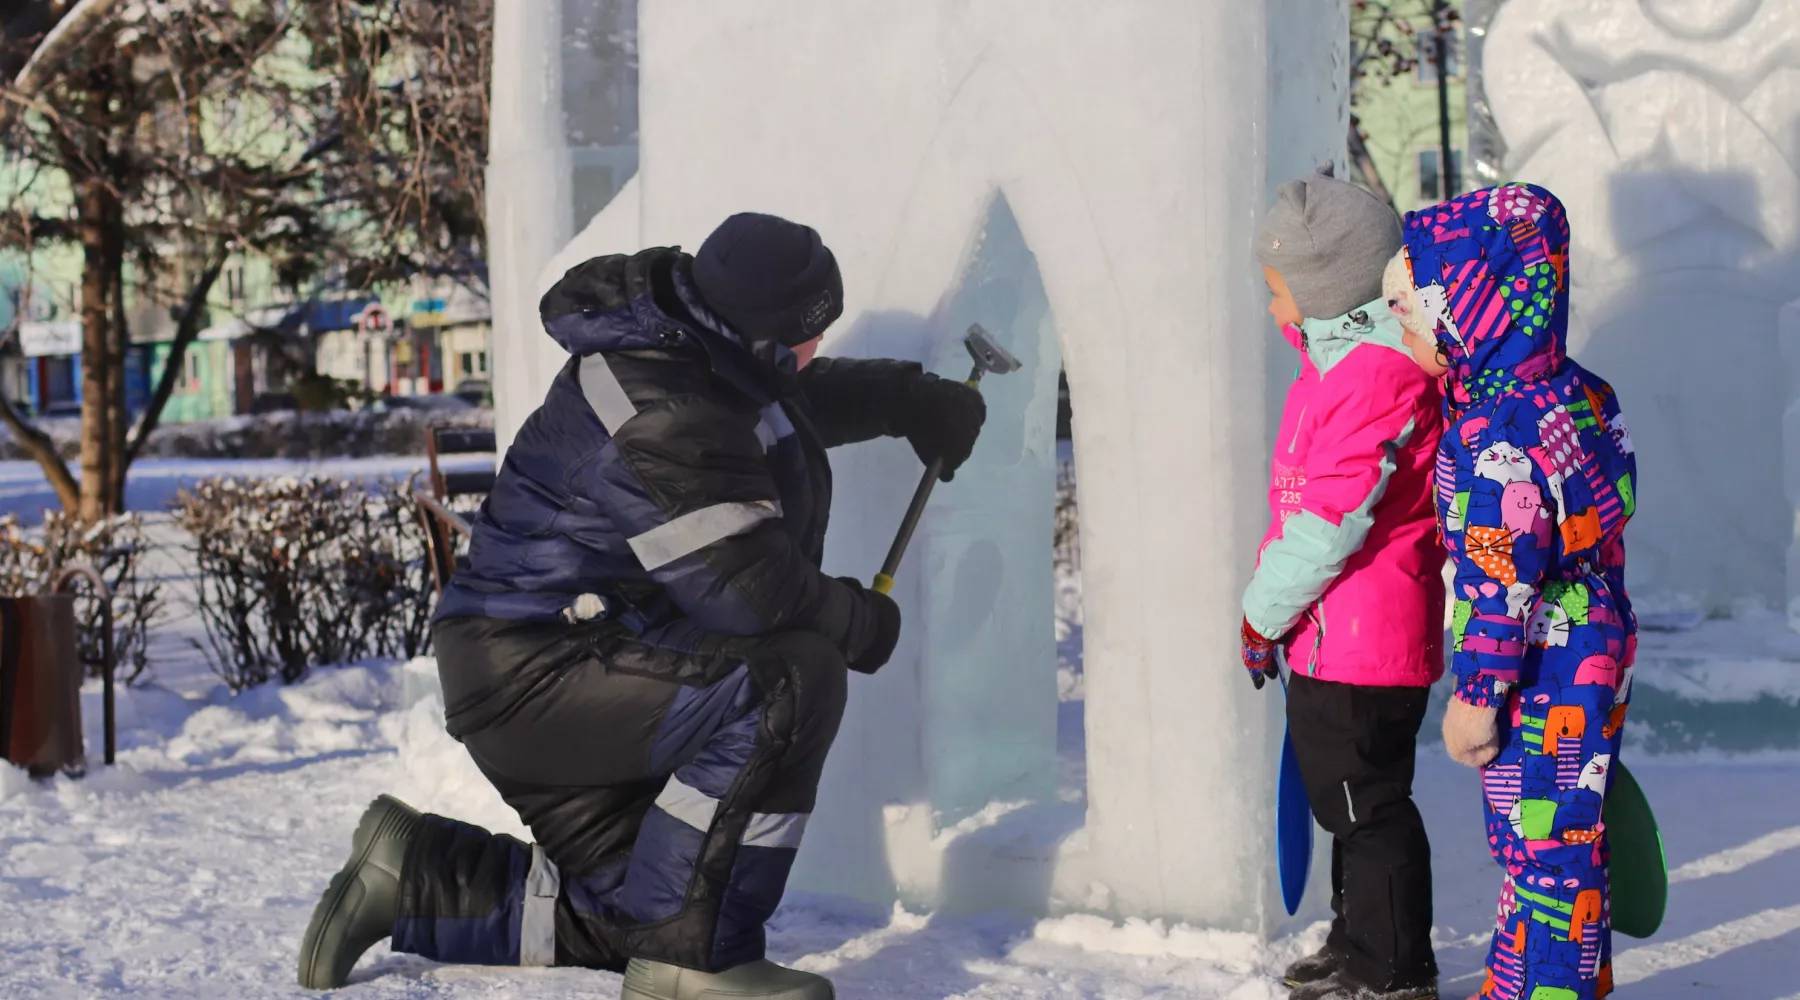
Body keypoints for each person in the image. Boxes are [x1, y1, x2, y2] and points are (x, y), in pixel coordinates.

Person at [296, 213, 986, 999]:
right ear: (757, 339)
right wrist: (863, 622)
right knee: (795, 675)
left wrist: (904, 401)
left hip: (574, 653)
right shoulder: (661, 407)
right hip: (539, 672)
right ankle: (701, 968)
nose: (814, 353)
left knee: (649, 913)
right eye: (805, 339)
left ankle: (413, 875)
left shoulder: (697, 352)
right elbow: (750, 591)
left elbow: (789, 399)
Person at [1387, 183, 1636, 1000]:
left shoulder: (1497, 429)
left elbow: (1501, 582)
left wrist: (1478, 696)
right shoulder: (1577, 390)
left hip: (1541, 664)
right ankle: (1529, 980)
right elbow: (1614, 505)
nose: (1400, 330)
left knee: (1548, 851)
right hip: (1592, 640)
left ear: (1461, 312)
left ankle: (1548, 990)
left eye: (1408, 313)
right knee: (1558, 839)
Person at [1240, 168, 1446, 1000]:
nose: (1270, 305)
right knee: (1347, 807)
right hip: (1331, 635)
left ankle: (1393, 970)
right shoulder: (1333, 366)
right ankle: (1357, 935)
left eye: (1276, 287)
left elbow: (1331, 523)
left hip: (1365, 639)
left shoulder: (1374, 375)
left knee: (1369, 809)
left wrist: (1260, 614)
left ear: (1327, 286)